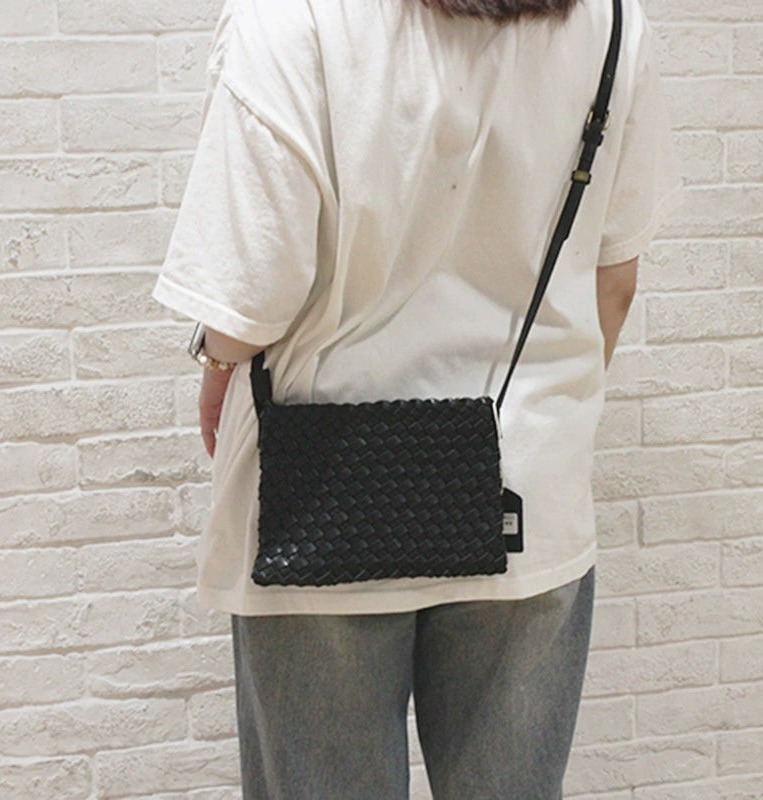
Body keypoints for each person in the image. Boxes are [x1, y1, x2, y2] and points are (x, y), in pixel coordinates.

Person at [152, 0, 682, 796]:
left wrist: (214, 364)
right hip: (526, 498)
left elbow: (247, 300)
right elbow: (616, 279)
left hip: (318, 499)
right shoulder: (609, 21)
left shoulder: (289, 18)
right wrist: (540, 416)